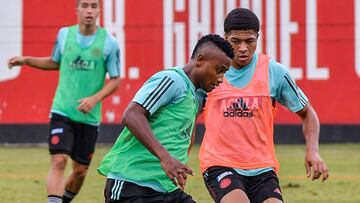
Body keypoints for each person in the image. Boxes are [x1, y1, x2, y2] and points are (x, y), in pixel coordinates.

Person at [199, 8, 329, 203]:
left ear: (257, 38)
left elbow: (307, 113)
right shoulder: (210, 71)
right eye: (236, 41)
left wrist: (313, 150)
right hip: (219, 163)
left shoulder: (273, 71)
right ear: (225, 38)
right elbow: (189, 116)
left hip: (262, 168)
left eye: (249, 41)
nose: (243, 48)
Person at [98, 34, 234, 203]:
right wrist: (165, 158)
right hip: (131, 185)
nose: (221, 79)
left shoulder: (198, 95)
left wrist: (179, 166)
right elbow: (131, 115)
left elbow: (186, 131)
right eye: (219, 70)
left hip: (165, 189)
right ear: (200, 60)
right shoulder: (172, 80)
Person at [8, 0, 121, 202]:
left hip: (89, 117)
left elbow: (115, 80)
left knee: (80, 172)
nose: (89, 10)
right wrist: (26, 60)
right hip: (62, 110)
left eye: (94, 6)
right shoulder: (64, 35)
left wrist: (94, 98)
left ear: (99, 10)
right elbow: (55, 62)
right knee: (58, 160)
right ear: (77, 10)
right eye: (85, 5)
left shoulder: (109, 43)